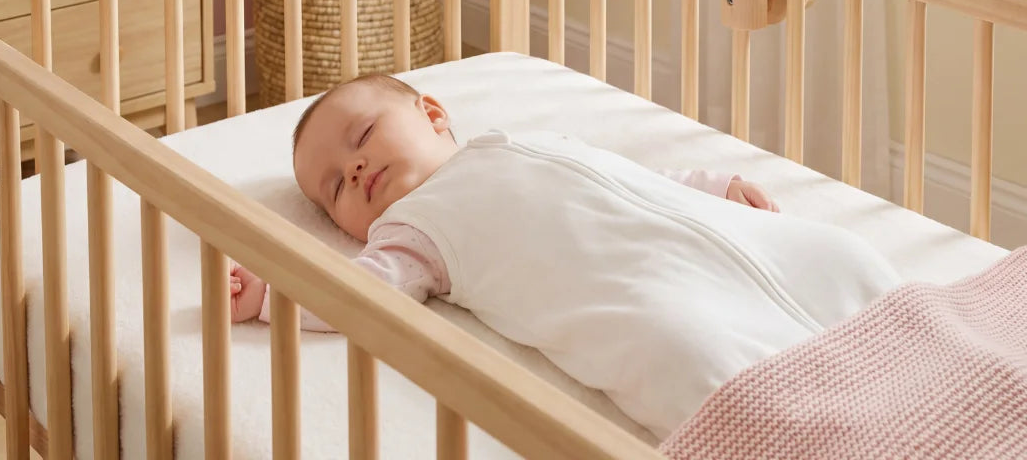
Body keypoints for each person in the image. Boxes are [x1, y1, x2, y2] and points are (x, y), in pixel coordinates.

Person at [229, 73, 899, 439]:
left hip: (714, 235)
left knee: (839, 256)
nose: (357, 166)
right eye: (336, 186)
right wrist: (271, 294)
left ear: (432, 113)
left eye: (363, 136)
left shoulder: (520, 139)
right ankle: (803, 432)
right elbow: (360, 293)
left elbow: (624, 175)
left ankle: (922, 345)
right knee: (683, 350)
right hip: (645, 296)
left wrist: (712, 185)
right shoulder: (411, 231)